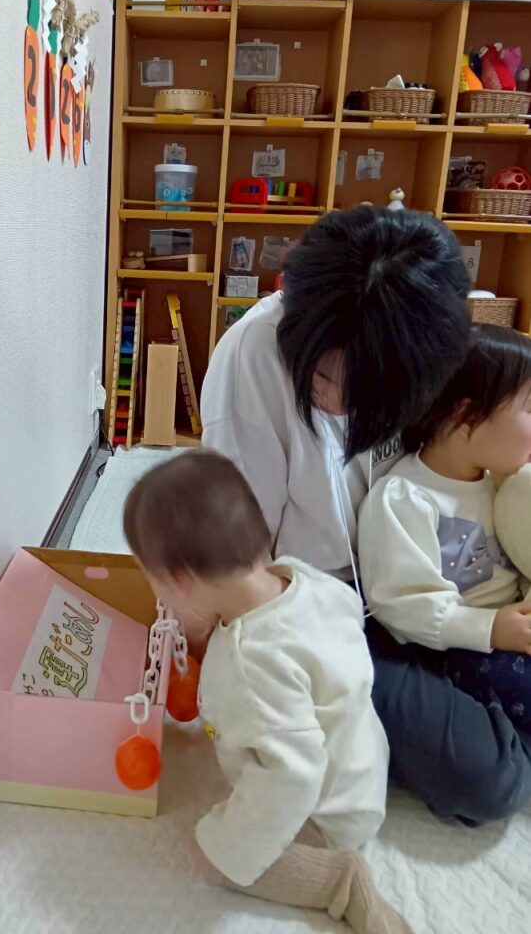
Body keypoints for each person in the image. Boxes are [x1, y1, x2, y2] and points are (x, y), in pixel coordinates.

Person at [201, 205, 531, 824]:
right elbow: (237, 560)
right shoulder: (253, 356)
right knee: (487, 779)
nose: (332, 396)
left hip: (433, 585)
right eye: (320, 373)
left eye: (359, 386)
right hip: (324, 612)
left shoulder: (426, 343)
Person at [124, 450, 410, 934]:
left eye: (152, 580)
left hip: (326, 811)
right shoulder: (301, 577)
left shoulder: (249, 664)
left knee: (222, 858)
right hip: (362, 761)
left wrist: (231, 842)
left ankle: (341, 881)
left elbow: (292, 778)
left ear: (180, 581)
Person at [359, 325, 531, 735]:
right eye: (530, 409)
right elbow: (403, 605)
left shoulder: (503, 483)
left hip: (510, 631)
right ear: (465, 416)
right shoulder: (405, 497)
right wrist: (490, 628)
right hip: (452, 649)